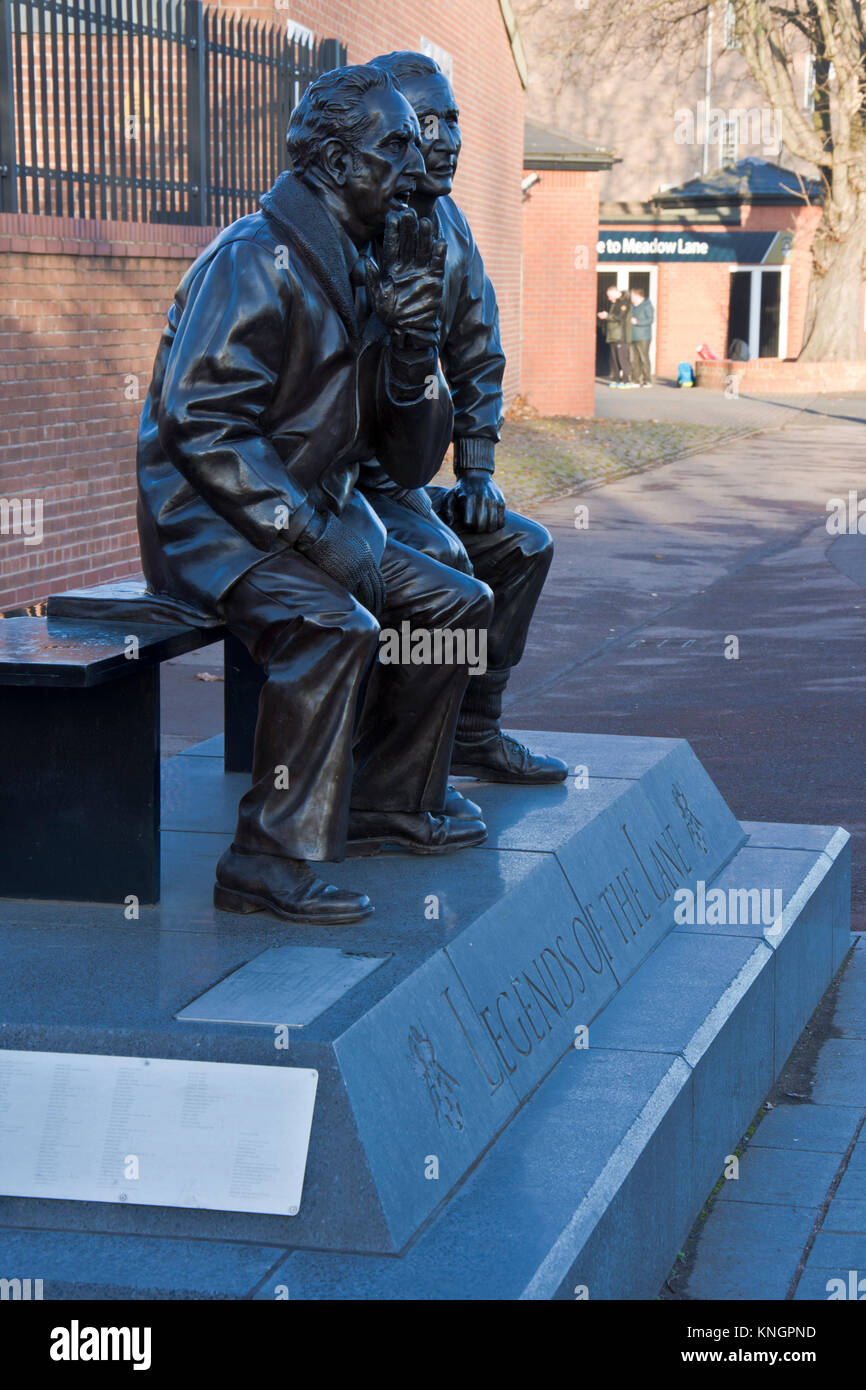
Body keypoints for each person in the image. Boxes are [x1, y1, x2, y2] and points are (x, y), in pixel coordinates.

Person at [137, 65, 494, 927]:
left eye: (417, 144)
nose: (419, 167)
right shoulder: (255, 259)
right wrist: (299, 528)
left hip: (311, 509)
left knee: (456, 607)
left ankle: (385, 798)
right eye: (394, 148)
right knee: (334, 628)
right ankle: (265, 858)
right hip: (213, 519)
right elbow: (201, 425)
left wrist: (412, 352)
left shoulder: (372, 259)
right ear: (334, 163)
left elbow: (406, 466)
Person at [359, 50, 567, 786]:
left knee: (522, 546)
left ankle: (475, 730)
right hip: (340, 490)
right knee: (444, 564)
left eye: (454, 120)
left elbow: (479, 352)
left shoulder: (450, 224)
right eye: (428, 121)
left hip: (404, 482)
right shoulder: (350, 220)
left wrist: (477, 468)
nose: (447, 137)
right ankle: (393, 761)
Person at [597, 285, 631, 387]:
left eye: (610, 296)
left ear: (615, 293)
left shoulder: (624, 303)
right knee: (614, 359)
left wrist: (607, 316)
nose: (609, 298)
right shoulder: (615, 303)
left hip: (621, 336)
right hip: (613, 336)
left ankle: (626, 381)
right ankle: (616, 379)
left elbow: (619, 317)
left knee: (622, 359)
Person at [629, 287, 654, 387]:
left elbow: (650, 320)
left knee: (644, 359)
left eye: (632, 296)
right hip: (632, 336)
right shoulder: (633, 307)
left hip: (643, 337)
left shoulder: (647, 306)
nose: (631, 298)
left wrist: (637, 322)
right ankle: (635, 380)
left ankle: (647, 380)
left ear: (638, 296)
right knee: (633, 359)